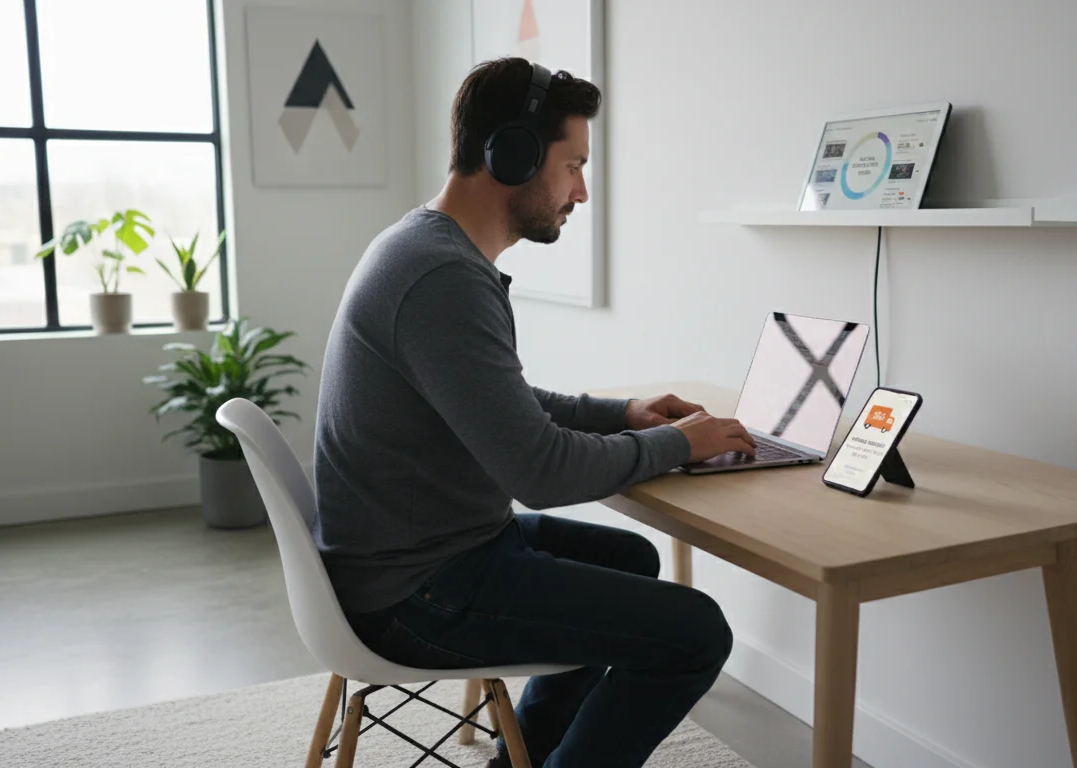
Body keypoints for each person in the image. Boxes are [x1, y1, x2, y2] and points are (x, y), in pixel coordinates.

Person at [313, 57, 757, 768]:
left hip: (422, 551)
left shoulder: (425, 247)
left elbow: (505, 406)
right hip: (416, 593)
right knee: (698, 633)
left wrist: (627, 414)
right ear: (512, 154)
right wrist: (678, 442)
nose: (581, 191)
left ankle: (520, 759)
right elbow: (540, 471)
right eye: (573, 165)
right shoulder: (442, 278)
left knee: (635, 559)